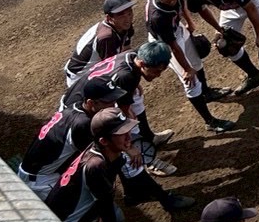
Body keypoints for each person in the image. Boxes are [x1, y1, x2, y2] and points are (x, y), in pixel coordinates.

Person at [44, 109, 168, 222]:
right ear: (104, 141)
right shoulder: (96, 166)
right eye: (121, 134)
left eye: (127, 130)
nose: (128, 137)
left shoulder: (109, 154)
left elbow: (104, 206)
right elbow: (108, 212)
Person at [62, 42, 176, 178]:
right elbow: (121, 119)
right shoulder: (126, 77)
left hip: (84, 98)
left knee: (135, 99)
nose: (158, 75)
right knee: (121, 128)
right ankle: (146, 159)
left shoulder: (133, 56)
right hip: (81, 110)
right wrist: (130, 143)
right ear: (141, 64)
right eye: (156, 71)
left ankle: (149, 138)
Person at [144, 0, 237, 132]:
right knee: (190, 80)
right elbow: (173, 47)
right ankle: (210, 121)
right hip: (164, 43)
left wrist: (189, 21)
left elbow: (186, 1)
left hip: (176, 28)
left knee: (196, 61)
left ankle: (206, 92)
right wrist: (186, 69)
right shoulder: (157, 17)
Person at [19, 79, 126, 198]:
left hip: (33, 173)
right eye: (108, 102)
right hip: (41, 181)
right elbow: (99, 157)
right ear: (91, 103)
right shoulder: (83, 124)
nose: (114, 105)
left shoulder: (75, 108)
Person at [63, 0, 137, 85]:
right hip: (80, 78)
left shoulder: (123, 26)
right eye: (121, 15)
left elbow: (126, 50)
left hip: (93, 70)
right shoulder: (106, 37)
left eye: (129, 13)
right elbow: (112, 68)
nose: (127, 19)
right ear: (109, 18)